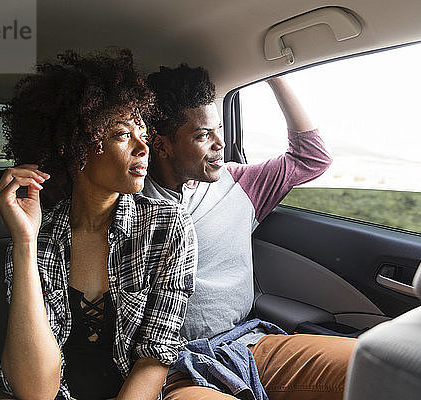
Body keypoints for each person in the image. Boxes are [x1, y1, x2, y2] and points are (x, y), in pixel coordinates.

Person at [0, 50, 197, 400]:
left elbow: (156, 354)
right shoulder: (39, 239)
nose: (143, 146)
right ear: (76, 148)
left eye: (142, 131)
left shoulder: (169, 226)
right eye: (121, 135)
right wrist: (25, 242)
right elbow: (35, 389)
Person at [142, 64, 356, 400]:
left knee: (378, 366)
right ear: (162, 145)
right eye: (202, 135)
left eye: (220, 129)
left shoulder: (239, 183)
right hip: (170, 366)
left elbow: (312, 158)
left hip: (245, 343)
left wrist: (276, 76)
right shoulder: (127, 201)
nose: (220, 143)